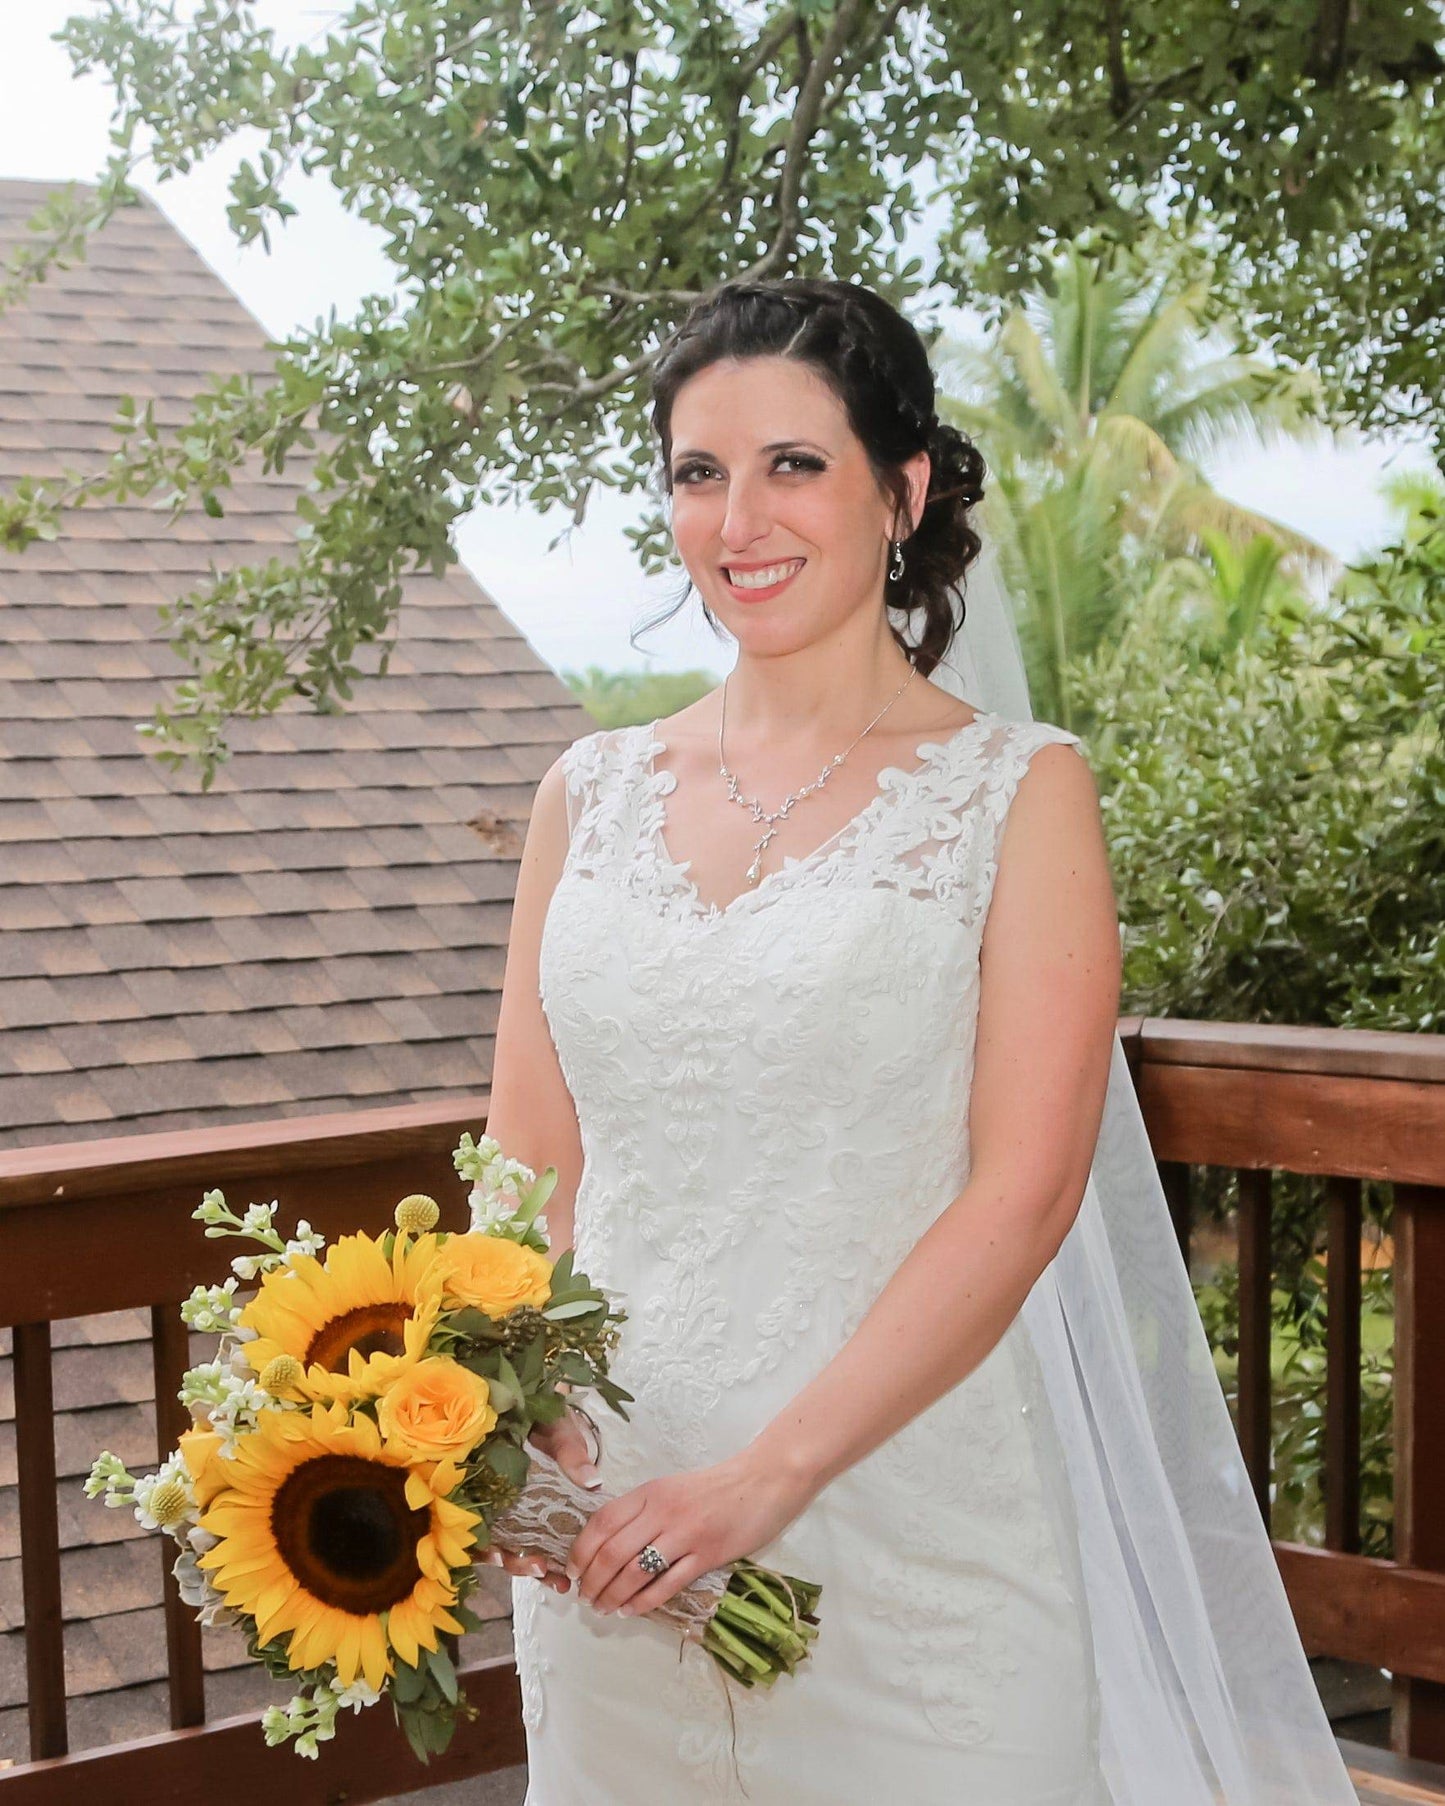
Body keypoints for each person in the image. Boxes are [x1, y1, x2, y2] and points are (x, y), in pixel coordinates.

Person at [479, 279, 1360, 1804]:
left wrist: (774, 1472)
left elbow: (1021, 1192)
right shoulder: (588, 790)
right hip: (616, 1521)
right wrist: (514, 1403)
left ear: (898, 492)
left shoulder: (1017, 791)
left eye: (792, 465)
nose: (738, 517)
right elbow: (526, 1162)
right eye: (699, 472)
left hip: (906, 1512)